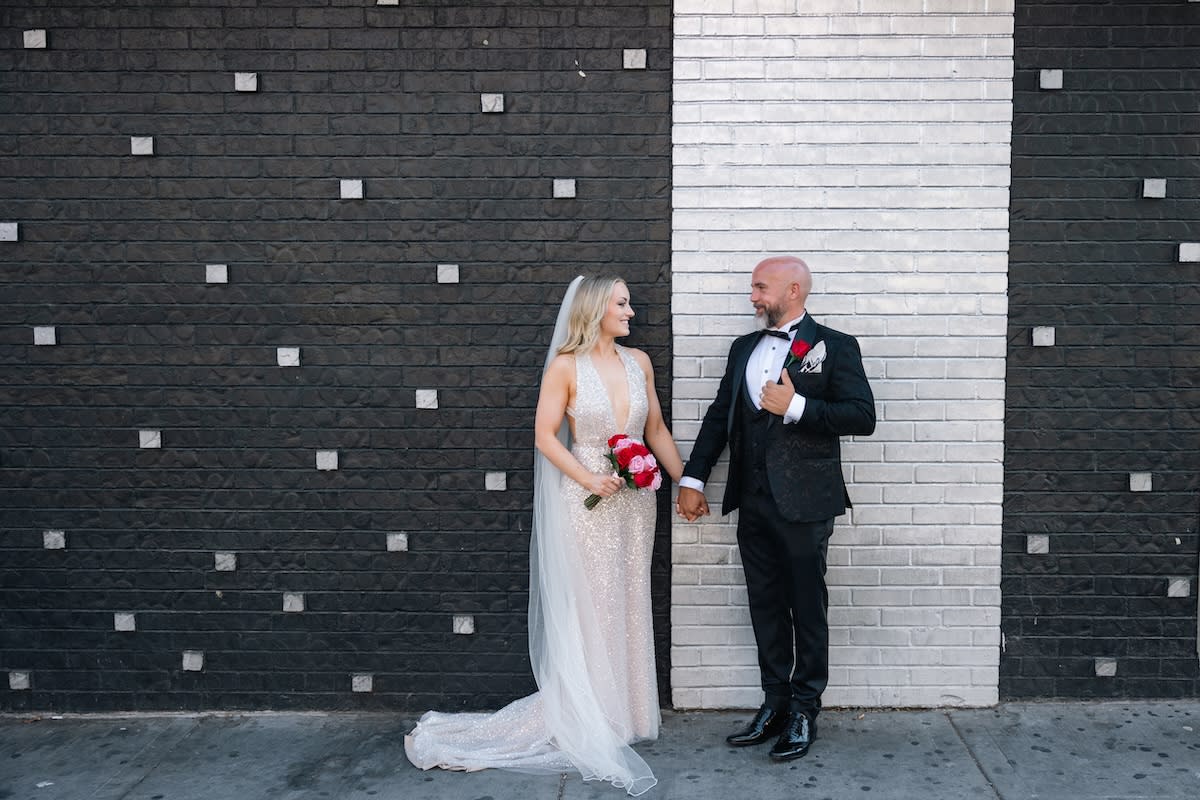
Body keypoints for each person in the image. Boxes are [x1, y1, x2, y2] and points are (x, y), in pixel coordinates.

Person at [405, 276, 685, 796]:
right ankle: (589, 712)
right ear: (595, 308)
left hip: (636, 501)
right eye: (621, 303)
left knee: (626, 597)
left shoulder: (639, 362)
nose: (631, 311)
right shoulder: (565, 367)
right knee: (592, 604)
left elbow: (657, 431)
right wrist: (588, 477)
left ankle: (624, 712)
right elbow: (543, 435)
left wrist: (685, 483)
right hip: (589, 499)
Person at [675, 256, 875, 761]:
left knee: (807, 605)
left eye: (760, 287)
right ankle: (775, 703)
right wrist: (693, 479)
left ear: (793, 290)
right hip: (753, 498)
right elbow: (722, 416)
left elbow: (862, 416)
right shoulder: (743, 347)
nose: (753, 296)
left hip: (807, 502)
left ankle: (806, 709)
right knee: (763, 603)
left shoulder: (835, 346)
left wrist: (798, 407)